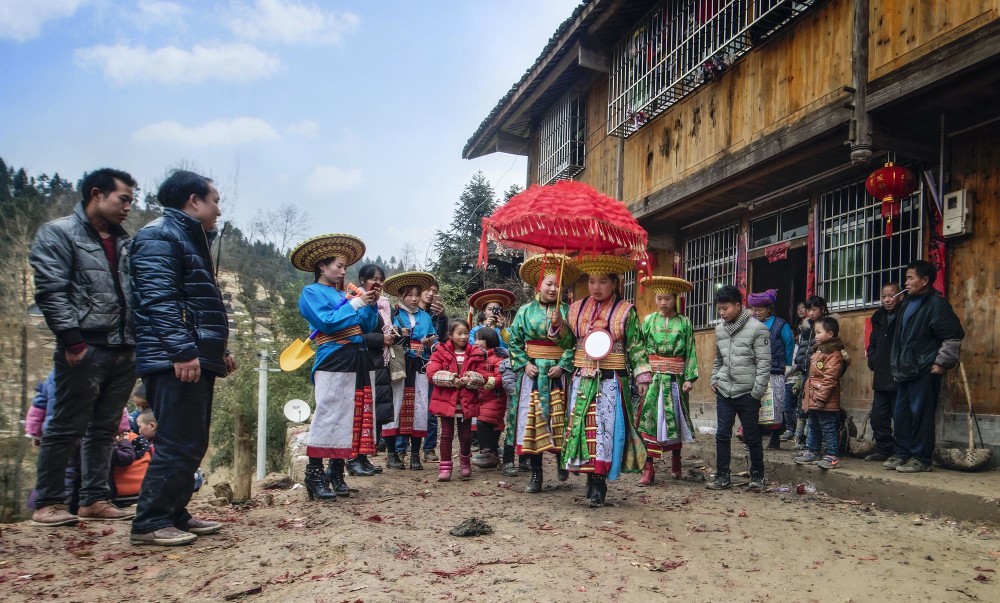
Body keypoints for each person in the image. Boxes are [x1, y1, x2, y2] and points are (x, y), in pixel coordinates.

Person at [129, 169, 236, 546]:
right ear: (194, 200)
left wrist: (218, 352)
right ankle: (150, 522)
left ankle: (174, 512)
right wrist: (183, 351)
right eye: (215, 200)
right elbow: (160, 302)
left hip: (192, 355)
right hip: (173, 358)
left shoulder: (189, 239)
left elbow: (198, 305)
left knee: (191, 440)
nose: (219, 210)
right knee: (177, 441)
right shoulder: (159, 236)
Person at [29, 167, 139, 527]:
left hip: (124, 345)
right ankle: (48, 502)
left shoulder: (125, 242)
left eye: (131, 201)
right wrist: (71, 339)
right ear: (96, 194)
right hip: (84, 344)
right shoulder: (58, 234)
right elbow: (51, 290)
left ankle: (94, 499)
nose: (127, 208)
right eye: (123, 199)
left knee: (106, 428)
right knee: (65, 424)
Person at [548, 255, 651, 507]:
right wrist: (558, 328)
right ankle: (588, 475)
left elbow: (636, 346)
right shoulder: (574, 309)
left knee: (605, 431)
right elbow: (569, 345)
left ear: (614, 283)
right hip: (582, 377)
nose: (596, 287)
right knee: (584, 428)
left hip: (611, 379)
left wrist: (642, 374)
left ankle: (599, 482)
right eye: (592, 281)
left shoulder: (626, 310)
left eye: (603, 281)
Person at [289, 234, 378, 500]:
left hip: (355, 354)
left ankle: (336, 472)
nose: (342, 270)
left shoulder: (344, 294)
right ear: (322, 267)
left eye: (343, 266)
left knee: (351, 413)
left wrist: (369, 305)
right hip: (332, 355)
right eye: (338, 265)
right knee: (328, 411)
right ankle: (314, 473)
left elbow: (368, 326)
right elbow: (326, 322)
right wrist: (356, 303)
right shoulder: (311, 293)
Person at [505, 254, 579, 488]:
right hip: (533, 375)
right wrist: (524, 364)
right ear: (539, 285)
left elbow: (576, 343)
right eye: (549, 283)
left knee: (560, 419)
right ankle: (536, 474)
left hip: (558, 375)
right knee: (532, 423)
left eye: (558, 284)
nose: (554, 288)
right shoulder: (525, 311)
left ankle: (560, 460)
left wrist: (563, 365)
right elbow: (514, 341)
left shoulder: (569, 312)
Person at [887, 260, 964, 473]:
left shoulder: (936, 305)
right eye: (906, 278)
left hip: (924, 369)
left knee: (921, 414)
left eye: (910, 278)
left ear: (925, 280)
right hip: (906, 369)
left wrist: (941, 363)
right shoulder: (906, 303)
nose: (906, 282)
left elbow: (952, 336)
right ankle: (902, 453)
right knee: (901, 413)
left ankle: (921, 458)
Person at [706, 285, 771, 491]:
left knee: (752, 436)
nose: (722, 313)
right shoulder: (720, 329)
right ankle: (722, 476)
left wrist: (756, 392)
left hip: (748, 392)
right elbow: (718, 358)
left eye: (725, 308)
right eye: (719, 309)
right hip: (725, 390)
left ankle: (757, 476)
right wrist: (714, 379)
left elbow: (764, 363)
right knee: (722, 434)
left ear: (738, 305)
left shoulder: (758, 329)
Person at [636, 276, 698, 485]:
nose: (663, 303)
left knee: (675, 419)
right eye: (660, 298)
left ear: (675, 299)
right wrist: (641, 375)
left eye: (667, 299)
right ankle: (649, 466)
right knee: (649, 420)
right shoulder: (648, 321)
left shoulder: (684, 322)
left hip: (675, 379)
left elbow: (690, 350)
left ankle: (676, 459)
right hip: (652, 379)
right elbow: (640, 349)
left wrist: (689, 378)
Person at [382, 271, 438, 470]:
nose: (414, 299)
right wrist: (399, 335)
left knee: (420, 407)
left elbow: (434, 339)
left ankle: (415, 454)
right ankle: (393, 455)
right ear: (401, 296)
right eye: (409, 294)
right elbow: (388, 336)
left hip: (420, 365)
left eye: (417, 294)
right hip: (399, 365)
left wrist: (430, 342)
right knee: (396, 405)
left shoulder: (426, 317)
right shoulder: (394, 316)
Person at [428, 319, 487, 481]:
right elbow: (432, 372)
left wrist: (471, 379)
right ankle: (445, 466)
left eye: (466, 333)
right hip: (447, 400)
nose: (463, 337)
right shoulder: (440, 352)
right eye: (459, 333)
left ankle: (465, 463)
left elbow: (483, 374)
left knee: (466, 435)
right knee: (446, 434)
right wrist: (450, 379)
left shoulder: (476, 353)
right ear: (450, 335)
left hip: (466, 401)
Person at [794, 317, 850, 470]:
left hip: (824, 399)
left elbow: (829, 379)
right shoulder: (819, 351)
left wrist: (820, 397)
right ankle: (813, 451)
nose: (816, 336)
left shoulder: (834, 354)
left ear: (830, 334)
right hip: (814, 398)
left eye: (819, 332)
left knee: (828, 427)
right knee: (813, 425)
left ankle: (833, 455)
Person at [747, 289, 794, 450]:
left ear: (769, 308)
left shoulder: (781, 324)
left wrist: (787, 365)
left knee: (775, 405)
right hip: (755, 371)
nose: (756, 312)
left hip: (775, 371)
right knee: (755, 405)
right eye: (754, 309)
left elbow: (789, 344)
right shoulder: (749, 324)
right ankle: (755, 439)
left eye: (760, 309)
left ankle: (775, 438)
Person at [357, 264, 392, 476]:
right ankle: (355, 459)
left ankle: (363, 457)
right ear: (362, 280)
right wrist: (381, 339)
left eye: (380, 279)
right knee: (361, 411)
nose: (376, 283)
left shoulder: (378, 305)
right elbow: (354, 334)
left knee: (370, 412)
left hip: (377, 362)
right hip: (362, 360)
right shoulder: (357, 302)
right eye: (373, 278)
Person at [865, 282, 902, 462]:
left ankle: (901, 452)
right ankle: (884, 449)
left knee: (901, 415)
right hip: (881, 372)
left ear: (900, 296)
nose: (887, 300)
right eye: (884, 296)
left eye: (891, 295)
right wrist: (873, 360)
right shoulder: (878, 316)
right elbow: (872, 343)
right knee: (879, 416)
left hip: (900, 373)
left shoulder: (905, 314)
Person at [790, 295, 830, 448]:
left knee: (814, 406)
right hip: (804, 370)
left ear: (822, 309)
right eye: (809, 310)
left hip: (819, 371)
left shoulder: (826, 326)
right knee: (802, 404)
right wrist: (798, 364)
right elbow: (802, 348)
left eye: (815, 309)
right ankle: (800, 437)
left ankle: (812, 441)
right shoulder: (805, 327)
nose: (811, 313)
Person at [417, 280, 448, 463]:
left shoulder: (437, 316)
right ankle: (403, 447)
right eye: (428, 289)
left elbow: (443, 339)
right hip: (413, 361)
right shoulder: (406, 313)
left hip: (432, 363)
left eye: (434, 291)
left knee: (431, 407)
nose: (430, 294)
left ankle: (429, 448)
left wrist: (443, 318)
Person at [471, 328, 508, 469]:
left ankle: (489, 453)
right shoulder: (477, 358)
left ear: (489, 341)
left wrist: (484, 381)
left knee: (483, 424)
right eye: (475, 339)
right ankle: (493, 453)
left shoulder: (497, 359)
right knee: (489, 427)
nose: (476, 342)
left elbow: (500, 378)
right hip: (483, 399)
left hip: (495, 398)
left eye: (480, 339)